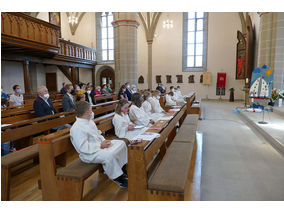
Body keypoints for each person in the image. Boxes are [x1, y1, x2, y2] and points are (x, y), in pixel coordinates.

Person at [70, 101, 128, 188]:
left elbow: (97, 134)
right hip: (88, 154)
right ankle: (118, 178)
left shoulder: (88, 121)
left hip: (99, 146)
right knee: (109, 155)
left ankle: (122, 169)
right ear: (87, 112)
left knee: (121, 143)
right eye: (91, 110)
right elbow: (83, 147)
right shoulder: (77, 127)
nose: (92, 112)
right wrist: (100, 145)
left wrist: (104, 141)